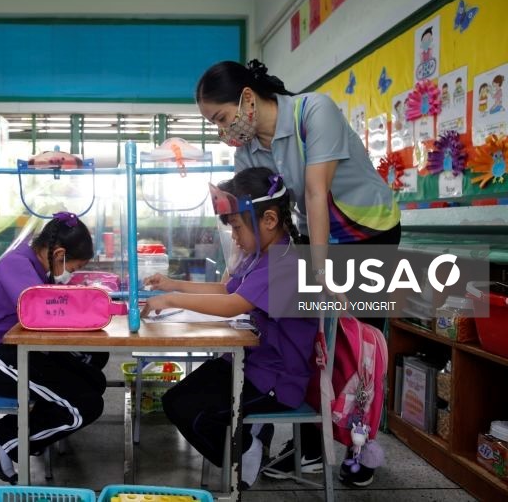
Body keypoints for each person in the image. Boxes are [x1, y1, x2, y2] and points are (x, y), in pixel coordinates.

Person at [195, 59, 402, 487]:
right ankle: (309, 446)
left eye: (221, 118)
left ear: (247, 98)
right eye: (214, 124)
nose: (222, 130)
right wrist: (238, 269)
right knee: (308, 340)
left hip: (367, 232)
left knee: (357, 346)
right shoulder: (248, 149)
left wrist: (322, 273)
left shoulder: (313, 112)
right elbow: (255, 214)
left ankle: (359, 447)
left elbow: (314, 192)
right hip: (315, 235)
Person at [140, 168, 318, 489]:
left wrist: (170, 299)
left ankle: (244, 449)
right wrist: (172, 284)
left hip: (276, 381)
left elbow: (233, 304)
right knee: (175, 401)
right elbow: (227, 290)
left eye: (237, 227)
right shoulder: (263, 255)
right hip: (249, 364)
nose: (234, 237)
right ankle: (245, 439)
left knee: (191, 413)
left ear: (269, 220)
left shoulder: (285, 263)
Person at [0, 212, 107, 484]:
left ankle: (43, 426)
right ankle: (3, 436)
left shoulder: (33, 264)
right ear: (59, 254)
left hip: (21, 348)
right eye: (74, 267)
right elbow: (41, 315)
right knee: (84, 406)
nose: (71, 274)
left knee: (94, 375)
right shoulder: (16, 265)